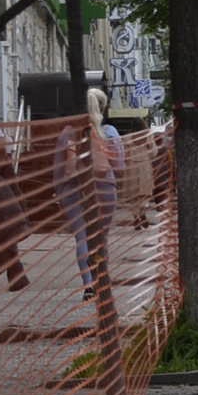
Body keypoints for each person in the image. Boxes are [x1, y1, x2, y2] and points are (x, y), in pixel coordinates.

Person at [60, 88, 122, 294]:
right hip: (105, 187)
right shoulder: (109, 132)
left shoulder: (67, 133)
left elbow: (59, 168)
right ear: (101, 107)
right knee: (101, 236)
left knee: (82, 237)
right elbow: (119, 165)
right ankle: (102, 279)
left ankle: (87, 284)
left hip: (74, 189)